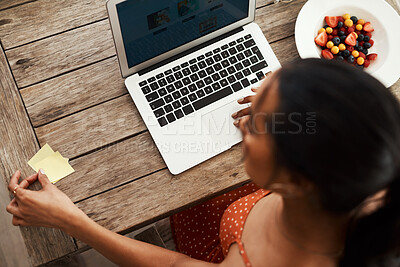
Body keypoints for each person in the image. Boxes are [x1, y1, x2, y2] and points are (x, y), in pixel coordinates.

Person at [6, 59, 400, 267]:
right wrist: (293, 105)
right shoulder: (378, 165)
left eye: (261, 127)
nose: (249, 119)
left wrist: (71, 220)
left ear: (296, 182)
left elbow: (177, 265)